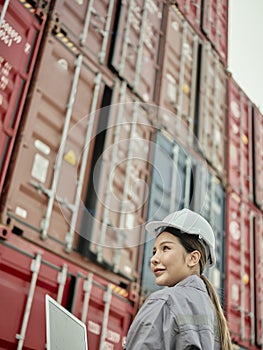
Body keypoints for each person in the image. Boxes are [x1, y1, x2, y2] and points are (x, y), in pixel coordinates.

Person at [124, 208, 232, 349]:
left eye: (166, 248)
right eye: (154, 251)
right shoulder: (215, 320)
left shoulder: (165, 301)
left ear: (193, 258)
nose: (154, 259)